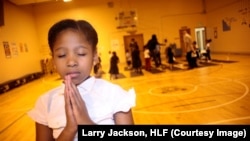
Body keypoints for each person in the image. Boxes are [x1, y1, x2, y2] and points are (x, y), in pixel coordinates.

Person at [27, 19, 136, 141]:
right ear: (53, 60)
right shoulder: (45, 102)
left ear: (94, 56)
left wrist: (86, 123)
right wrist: (70, 129)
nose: (71, 62)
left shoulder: (115, 94)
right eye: (62, 55)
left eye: (81, 53)